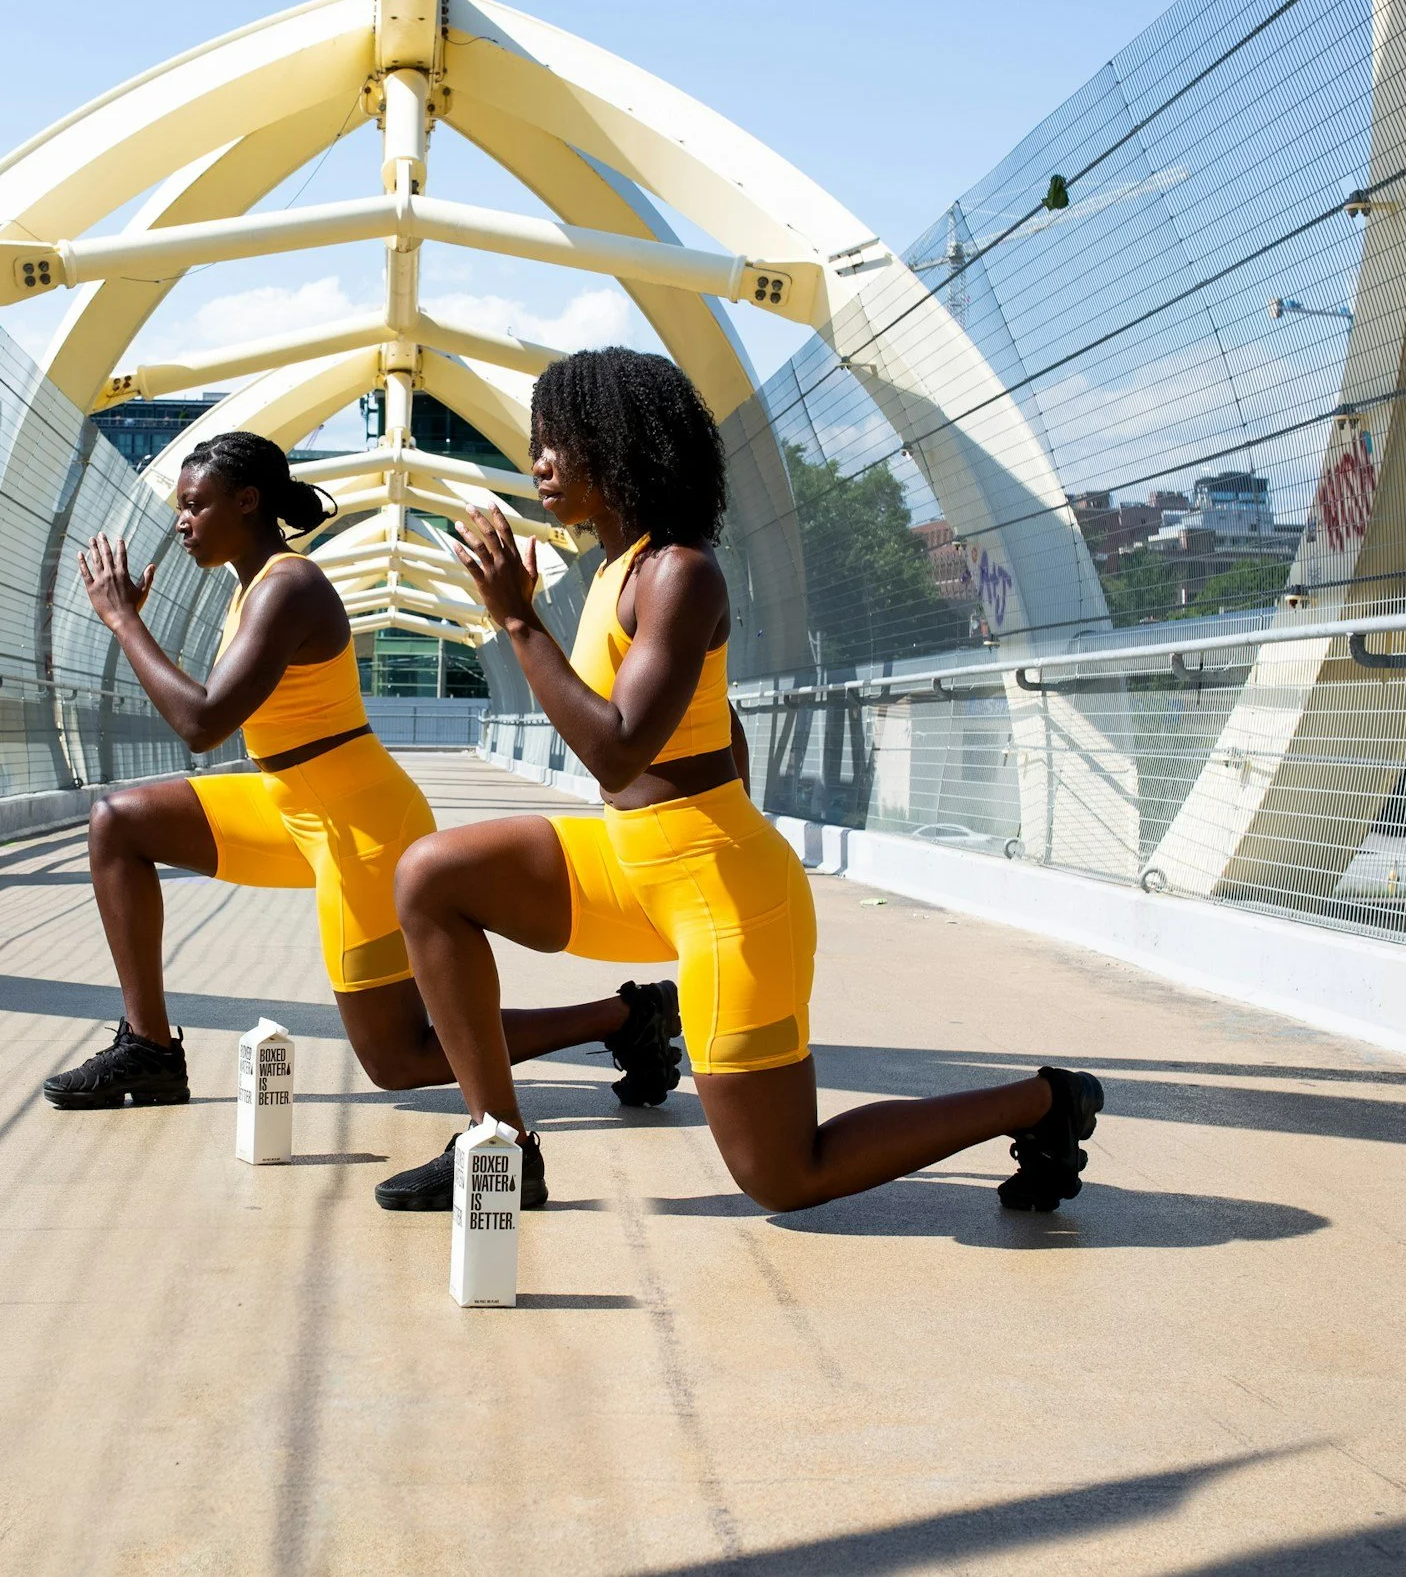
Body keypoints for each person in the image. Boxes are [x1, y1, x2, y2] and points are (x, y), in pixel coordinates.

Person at [383, 348, 1103, 1215]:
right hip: (632, 860)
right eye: (538, 440)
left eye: (560, 440)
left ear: (618, 445)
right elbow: (718, 728)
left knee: (782, 1175)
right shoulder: (616, 568)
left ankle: (1043, 1102)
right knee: (430, 874)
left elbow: (616, 750)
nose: (539, 461)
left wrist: (514, 618)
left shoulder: (682, 571)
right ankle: (499, 1145)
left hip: (720, 892)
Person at [45, 429, 686, 1178]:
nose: (182, 521)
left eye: (196, 506)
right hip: (289, 803)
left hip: (359, 826)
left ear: (246, 503)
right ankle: (149, 1049)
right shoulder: (249, 584)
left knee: (397, 1057)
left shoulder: (290, 586)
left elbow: (202, 721)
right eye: (181, 508)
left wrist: (125, 620)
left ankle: (625, 1016)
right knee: (117, 824)